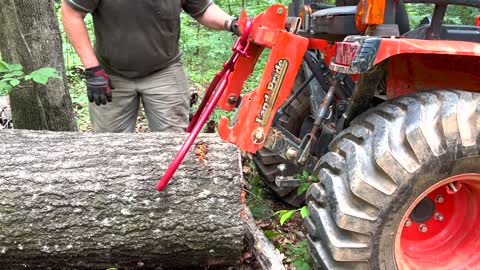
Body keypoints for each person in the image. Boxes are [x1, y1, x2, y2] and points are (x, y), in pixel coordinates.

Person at [61, 0, 239, 132]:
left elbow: (202, 9)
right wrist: (92, 68)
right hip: (110, 74)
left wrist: (230, 23)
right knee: (110, 148)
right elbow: (71, 14)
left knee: (172, 144)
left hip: (165, 70)